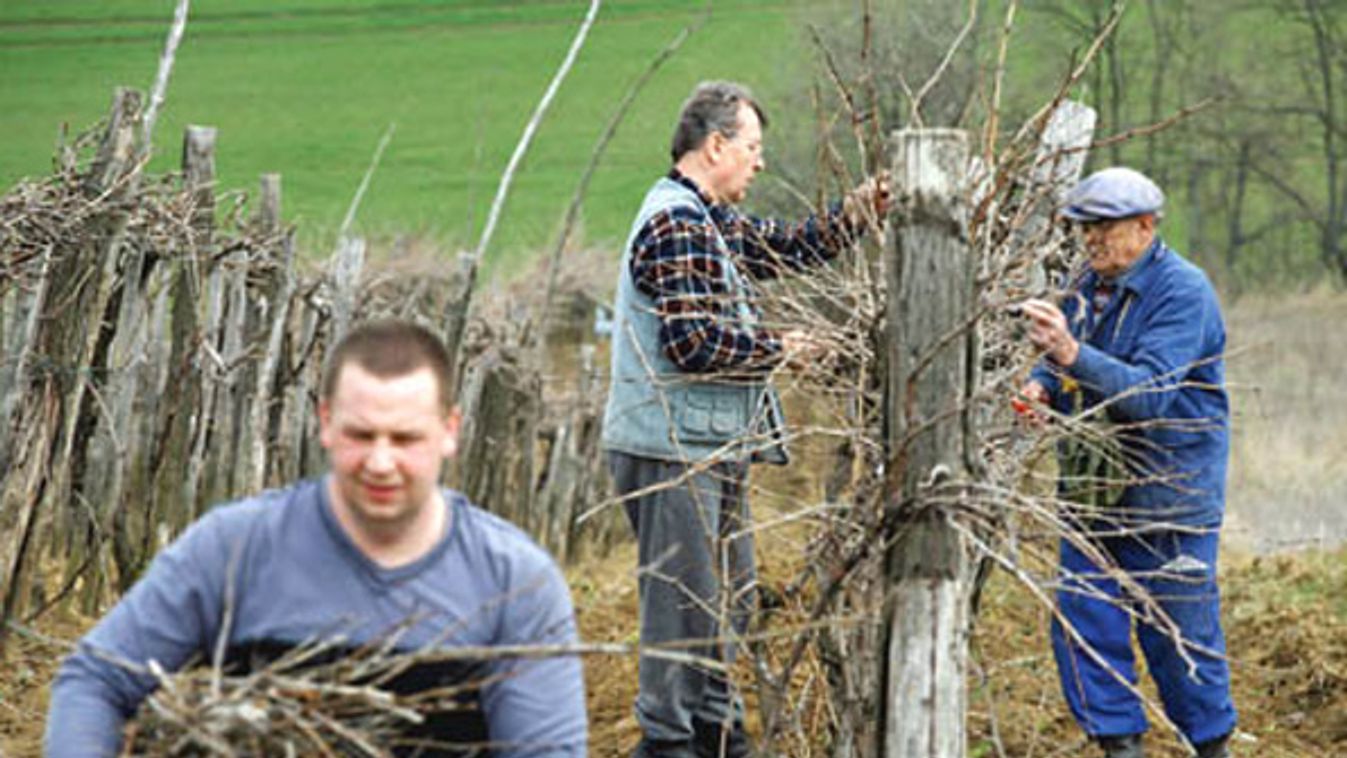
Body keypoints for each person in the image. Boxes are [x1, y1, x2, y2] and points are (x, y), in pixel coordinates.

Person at [46, 319, 587, 757]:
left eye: (404, 438)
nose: (380, 462)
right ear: (325, 421)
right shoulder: (235, 548)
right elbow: (96, 679)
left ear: (449, 430)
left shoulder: (515, 580)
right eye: (359, 434)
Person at [601, 80, 890, 758]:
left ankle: (719, 736)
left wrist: (853, 214)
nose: (760, 163)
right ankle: (669, 743)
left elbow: (783, 247)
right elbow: (691, 343)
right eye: (753, 148)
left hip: (703, 444)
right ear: (716, 145)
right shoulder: (675, 223)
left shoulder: (706, 221)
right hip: (672, 449)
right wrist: (779, 349)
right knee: (683, 608)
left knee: (724, 602)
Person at [1018, 167, 1237, 758]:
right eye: (1084, 229)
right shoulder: (1086, 281)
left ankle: (1212, 747)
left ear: (1145, 226)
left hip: (1170, 495)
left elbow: (1147, 395)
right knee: (1082, 622)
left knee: (1179, 638)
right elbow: (1060, 356)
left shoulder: (1183, 292)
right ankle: (1120, 748)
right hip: (1093, 492)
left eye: (1104, 228)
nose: (1091, 242)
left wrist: (1069, 352)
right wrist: (1043, 384)